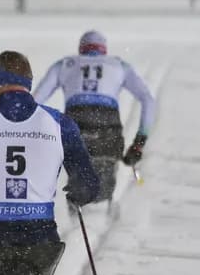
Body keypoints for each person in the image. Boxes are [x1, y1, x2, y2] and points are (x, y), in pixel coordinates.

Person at [0, 50, 99, 248]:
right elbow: (89, 183)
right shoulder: (60, 124)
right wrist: (81, 192)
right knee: (41, 261)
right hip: (41, 239)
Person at [32, 30, 156, 204]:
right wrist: (139, 143)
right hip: (108, 134)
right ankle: (104, 207)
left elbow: (34, 102)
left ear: (81, 49)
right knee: (104, 186)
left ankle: (76, 209)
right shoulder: (119, 65)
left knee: (77, 185)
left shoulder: (64, 65)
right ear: (104, 50)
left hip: (75, 132)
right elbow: (148, 100)